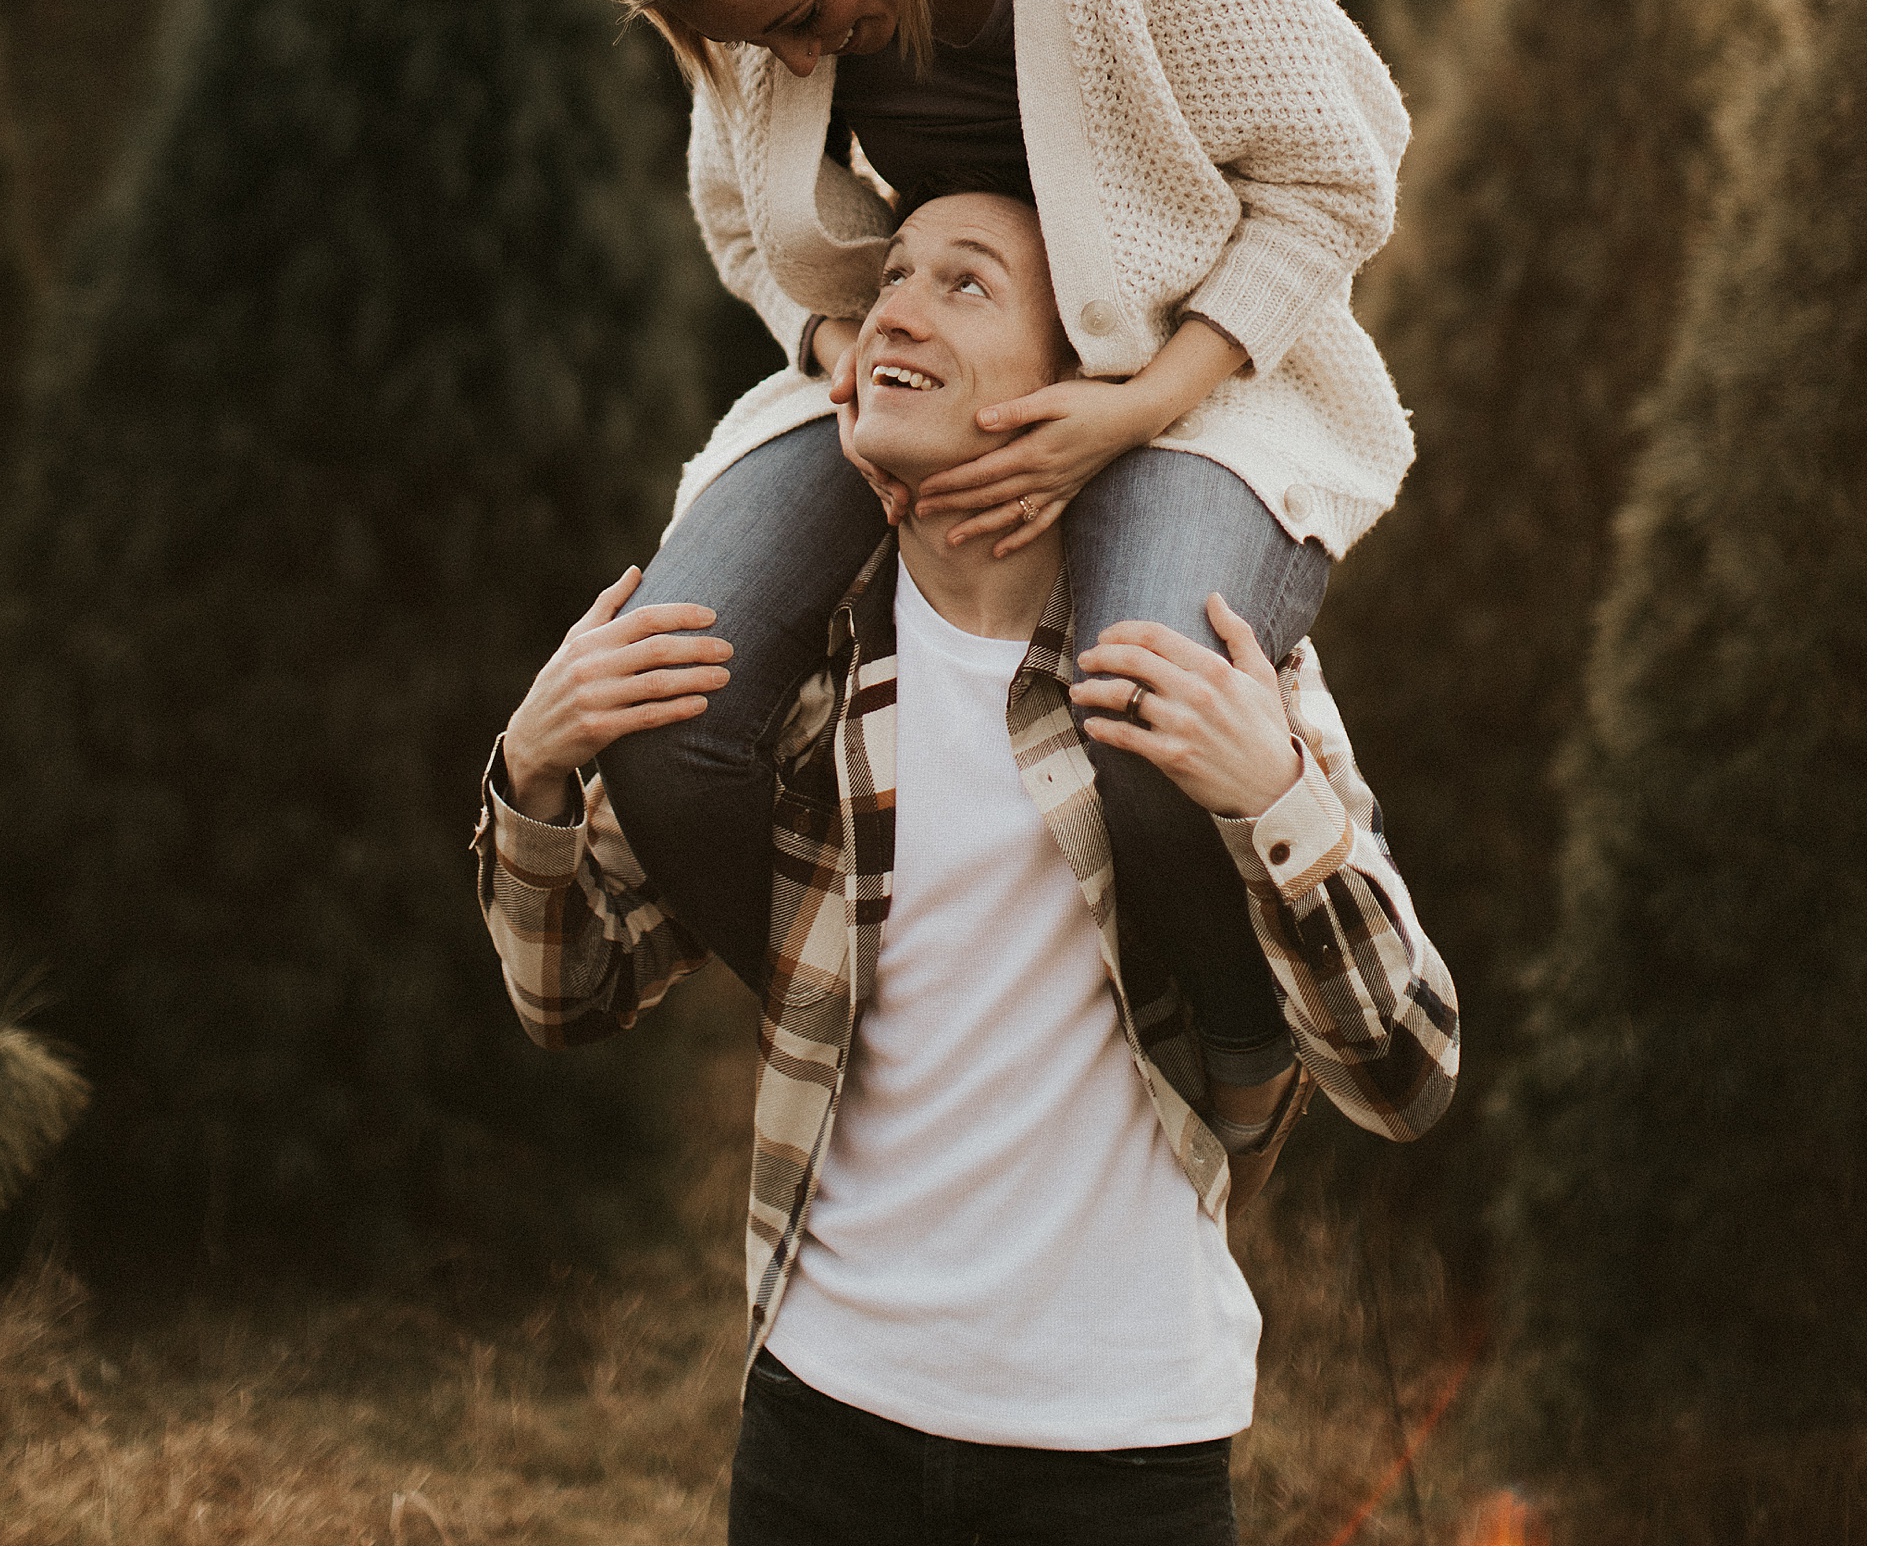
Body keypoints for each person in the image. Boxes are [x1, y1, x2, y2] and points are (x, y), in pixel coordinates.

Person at [475, 192, 1458, 1549]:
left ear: (1076, 382)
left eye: (967, 284)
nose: (891, 308)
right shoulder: (804, 671)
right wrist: (530, 768)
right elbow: (567, 992)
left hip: (1119, 1449)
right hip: (823, 1413)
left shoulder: (1212, 670)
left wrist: (1276, 799)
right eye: (890, 275)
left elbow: (1406, 1074)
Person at [581, 0, 1414, 1143]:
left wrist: (1139, 404)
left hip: (1196, 371)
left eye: (798, 14)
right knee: (664, 722)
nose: (787, 58)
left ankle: (1228, 1059)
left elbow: (1340, 174)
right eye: (758, 40)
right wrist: (846, 354)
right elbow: (744, 227)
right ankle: (897, 1045)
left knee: (1148, 728)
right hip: (923, 353)